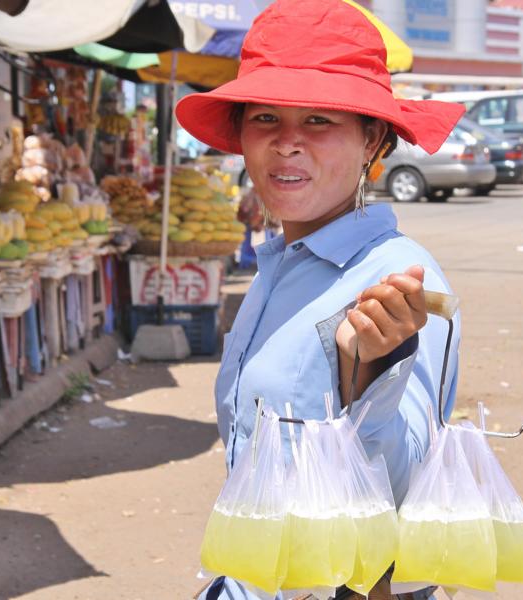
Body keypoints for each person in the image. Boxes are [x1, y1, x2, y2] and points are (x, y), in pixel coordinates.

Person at [175, 1, 466, 599]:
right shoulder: (278, 263)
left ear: (372, 141)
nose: (286, 144)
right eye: (264, 118)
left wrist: (370, 373)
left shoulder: (393, 280)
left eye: (317, 121)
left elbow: (410, 491)